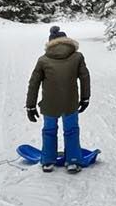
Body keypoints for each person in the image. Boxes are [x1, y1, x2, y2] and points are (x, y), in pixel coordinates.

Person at [26, 25, 91, 174]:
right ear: (67, 41)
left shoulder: (43, 60)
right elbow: (85, 77)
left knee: (49, 130)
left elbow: (33, 83)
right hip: (70, 103)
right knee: (71, 130)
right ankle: (73, 161)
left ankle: (48, 161)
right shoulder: (77, 57)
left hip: (49, 104)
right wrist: (85, 98)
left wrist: (30, 106)